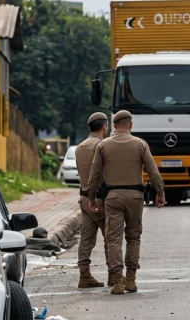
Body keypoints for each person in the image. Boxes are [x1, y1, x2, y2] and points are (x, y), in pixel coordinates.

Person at [87, 110, 166, 295]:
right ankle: (130, 280)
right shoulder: (140, 144)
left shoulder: (103, 145)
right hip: (135, 197)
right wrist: (160, 193)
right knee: (133, 238)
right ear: (131, 125)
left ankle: (117, 282)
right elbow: (153, 172)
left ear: (114, 126)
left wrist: (91, 197)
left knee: (114, 240)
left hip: (113, 197)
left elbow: (95, 174)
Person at [75, 112, 111, 289]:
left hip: (84, 198)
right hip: (101, 198)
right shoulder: (103, 145)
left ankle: (84, 275)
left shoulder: (79, 147)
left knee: (86, 238)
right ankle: (114, 275)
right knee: (110, 238)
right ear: (105, 127)